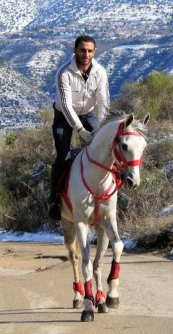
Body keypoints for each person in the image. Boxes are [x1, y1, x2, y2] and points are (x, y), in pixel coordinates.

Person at [48, 34, 111, 221]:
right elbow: (66, 106)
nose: (86, 54)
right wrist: (81, 131)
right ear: (75, 50)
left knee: (107, 150)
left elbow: (103, 101)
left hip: (88, 114)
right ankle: (55, 199)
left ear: (94, 52)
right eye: (82, 50)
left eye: (90, 51)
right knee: (63, 156)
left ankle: (114, 192)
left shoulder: (100, 72)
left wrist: (101, 128)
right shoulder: (64, 72)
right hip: (63, 116)